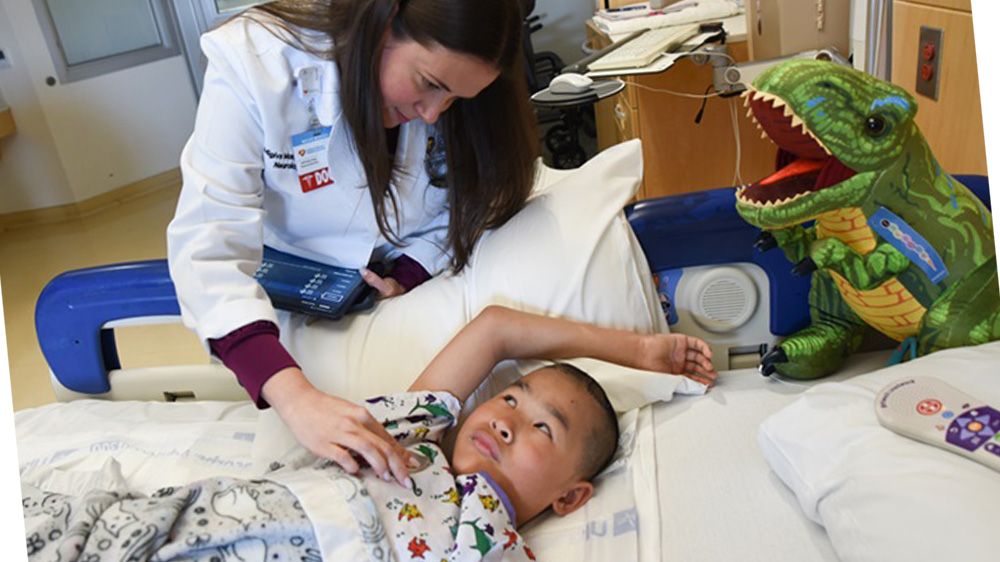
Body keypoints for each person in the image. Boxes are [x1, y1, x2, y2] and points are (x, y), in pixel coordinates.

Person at [165, 0, 540, 487]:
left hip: (398, 284)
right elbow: (208, 248)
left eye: (454, 100)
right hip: (294, 294)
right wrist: (295, 397)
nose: (432, 115)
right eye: (429, 84)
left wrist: (408, 272)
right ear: (383, 23)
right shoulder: (257, 61)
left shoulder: (449, 100)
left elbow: (476, 197)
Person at [22, 307, 716, 561]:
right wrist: (637, 351)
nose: (506, 417)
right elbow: (498, 329)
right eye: (510, 396)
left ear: (569, 498)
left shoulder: (496, 546)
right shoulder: (416, 430)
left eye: (542, 428)